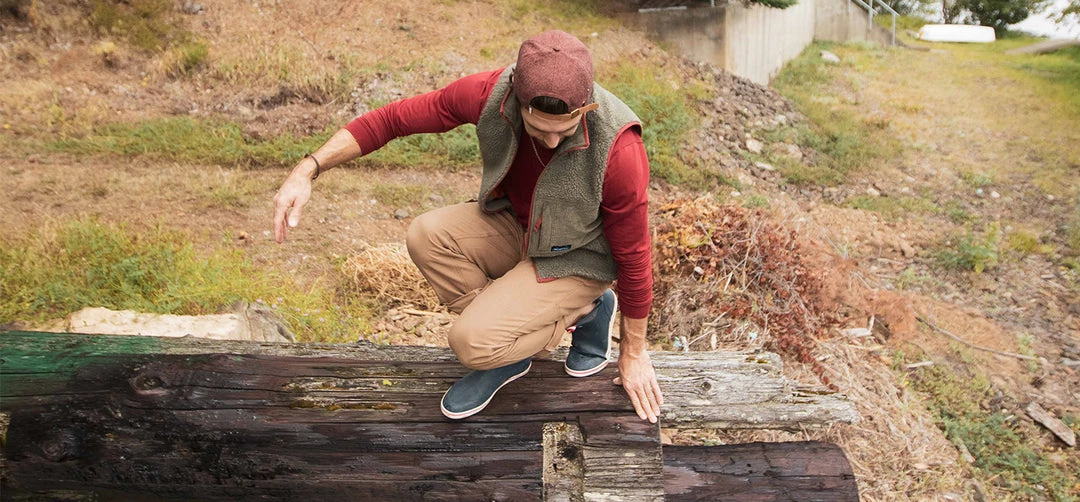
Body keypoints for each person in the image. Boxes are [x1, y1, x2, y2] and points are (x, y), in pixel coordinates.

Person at [272, 30, 663, 422]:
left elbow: (634, 258)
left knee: (470, 343)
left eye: (564, 130)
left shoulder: (619, 149)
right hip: (519, 226)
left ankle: (581, 312)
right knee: (426, 236)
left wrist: (633, 352)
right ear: (515, 99)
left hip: (578, 256)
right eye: (539, 129)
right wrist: (308, 168)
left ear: (587, 104)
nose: (550, 141)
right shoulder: (489, 94)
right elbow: (391, 120)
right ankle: (507, 350)